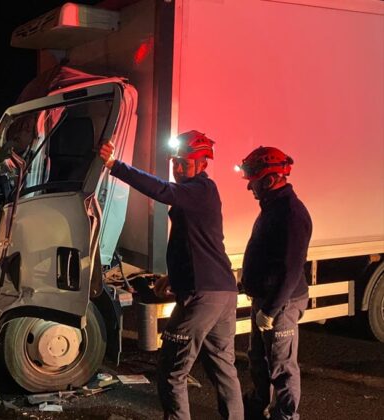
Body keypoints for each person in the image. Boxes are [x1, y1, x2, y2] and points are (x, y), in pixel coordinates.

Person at [100, 130, 242, 419]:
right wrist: (172, 278)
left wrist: (116, 165)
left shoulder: (200, 190)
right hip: (220, 292)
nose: (177, 168)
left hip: (202, 295)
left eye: (184, 163)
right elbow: (192, 243)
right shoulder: (198, 193)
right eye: (175, 162)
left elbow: (161, 191)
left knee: (172, 370)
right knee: (223, 369)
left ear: (202, 164)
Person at [236, 147, 311, 420]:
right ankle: (259, 404)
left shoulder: (291, 214)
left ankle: (286, 415)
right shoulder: (273, 207)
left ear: (268, 180)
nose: (250, 188)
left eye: (253, 182)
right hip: (267, 300)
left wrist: (271, 309)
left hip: (282, 302)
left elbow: (290, 270)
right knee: (258, 357)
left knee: (281, 365)